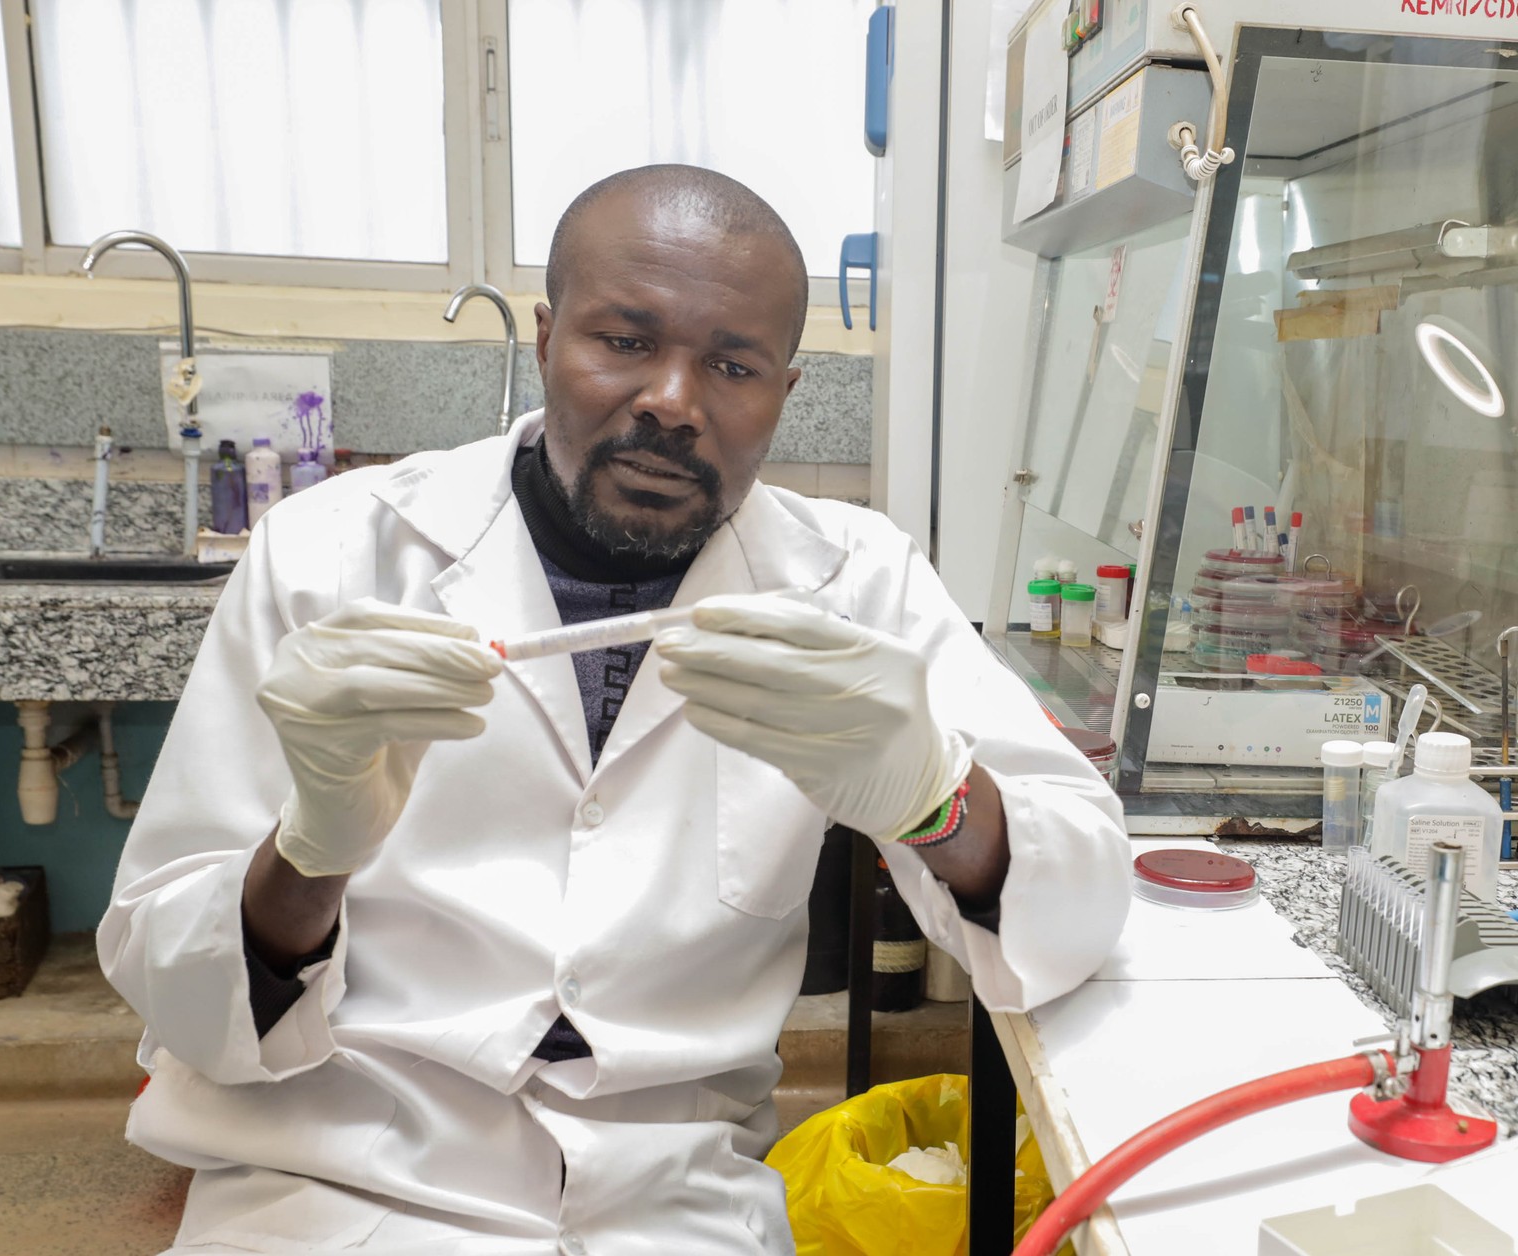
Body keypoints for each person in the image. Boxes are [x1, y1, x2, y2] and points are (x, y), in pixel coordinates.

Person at [98, 165, 1131, 1255]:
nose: (673, 401)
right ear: (548, 339)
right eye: (626, 341)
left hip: (673, 1200)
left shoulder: (858, 581)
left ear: (784, 389)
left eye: (732, 364)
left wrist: (933, 799)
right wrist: (311, 850)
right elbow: (172, 987)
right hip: (337, 1177)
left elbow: (1080, 905)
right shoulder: (330, 554)